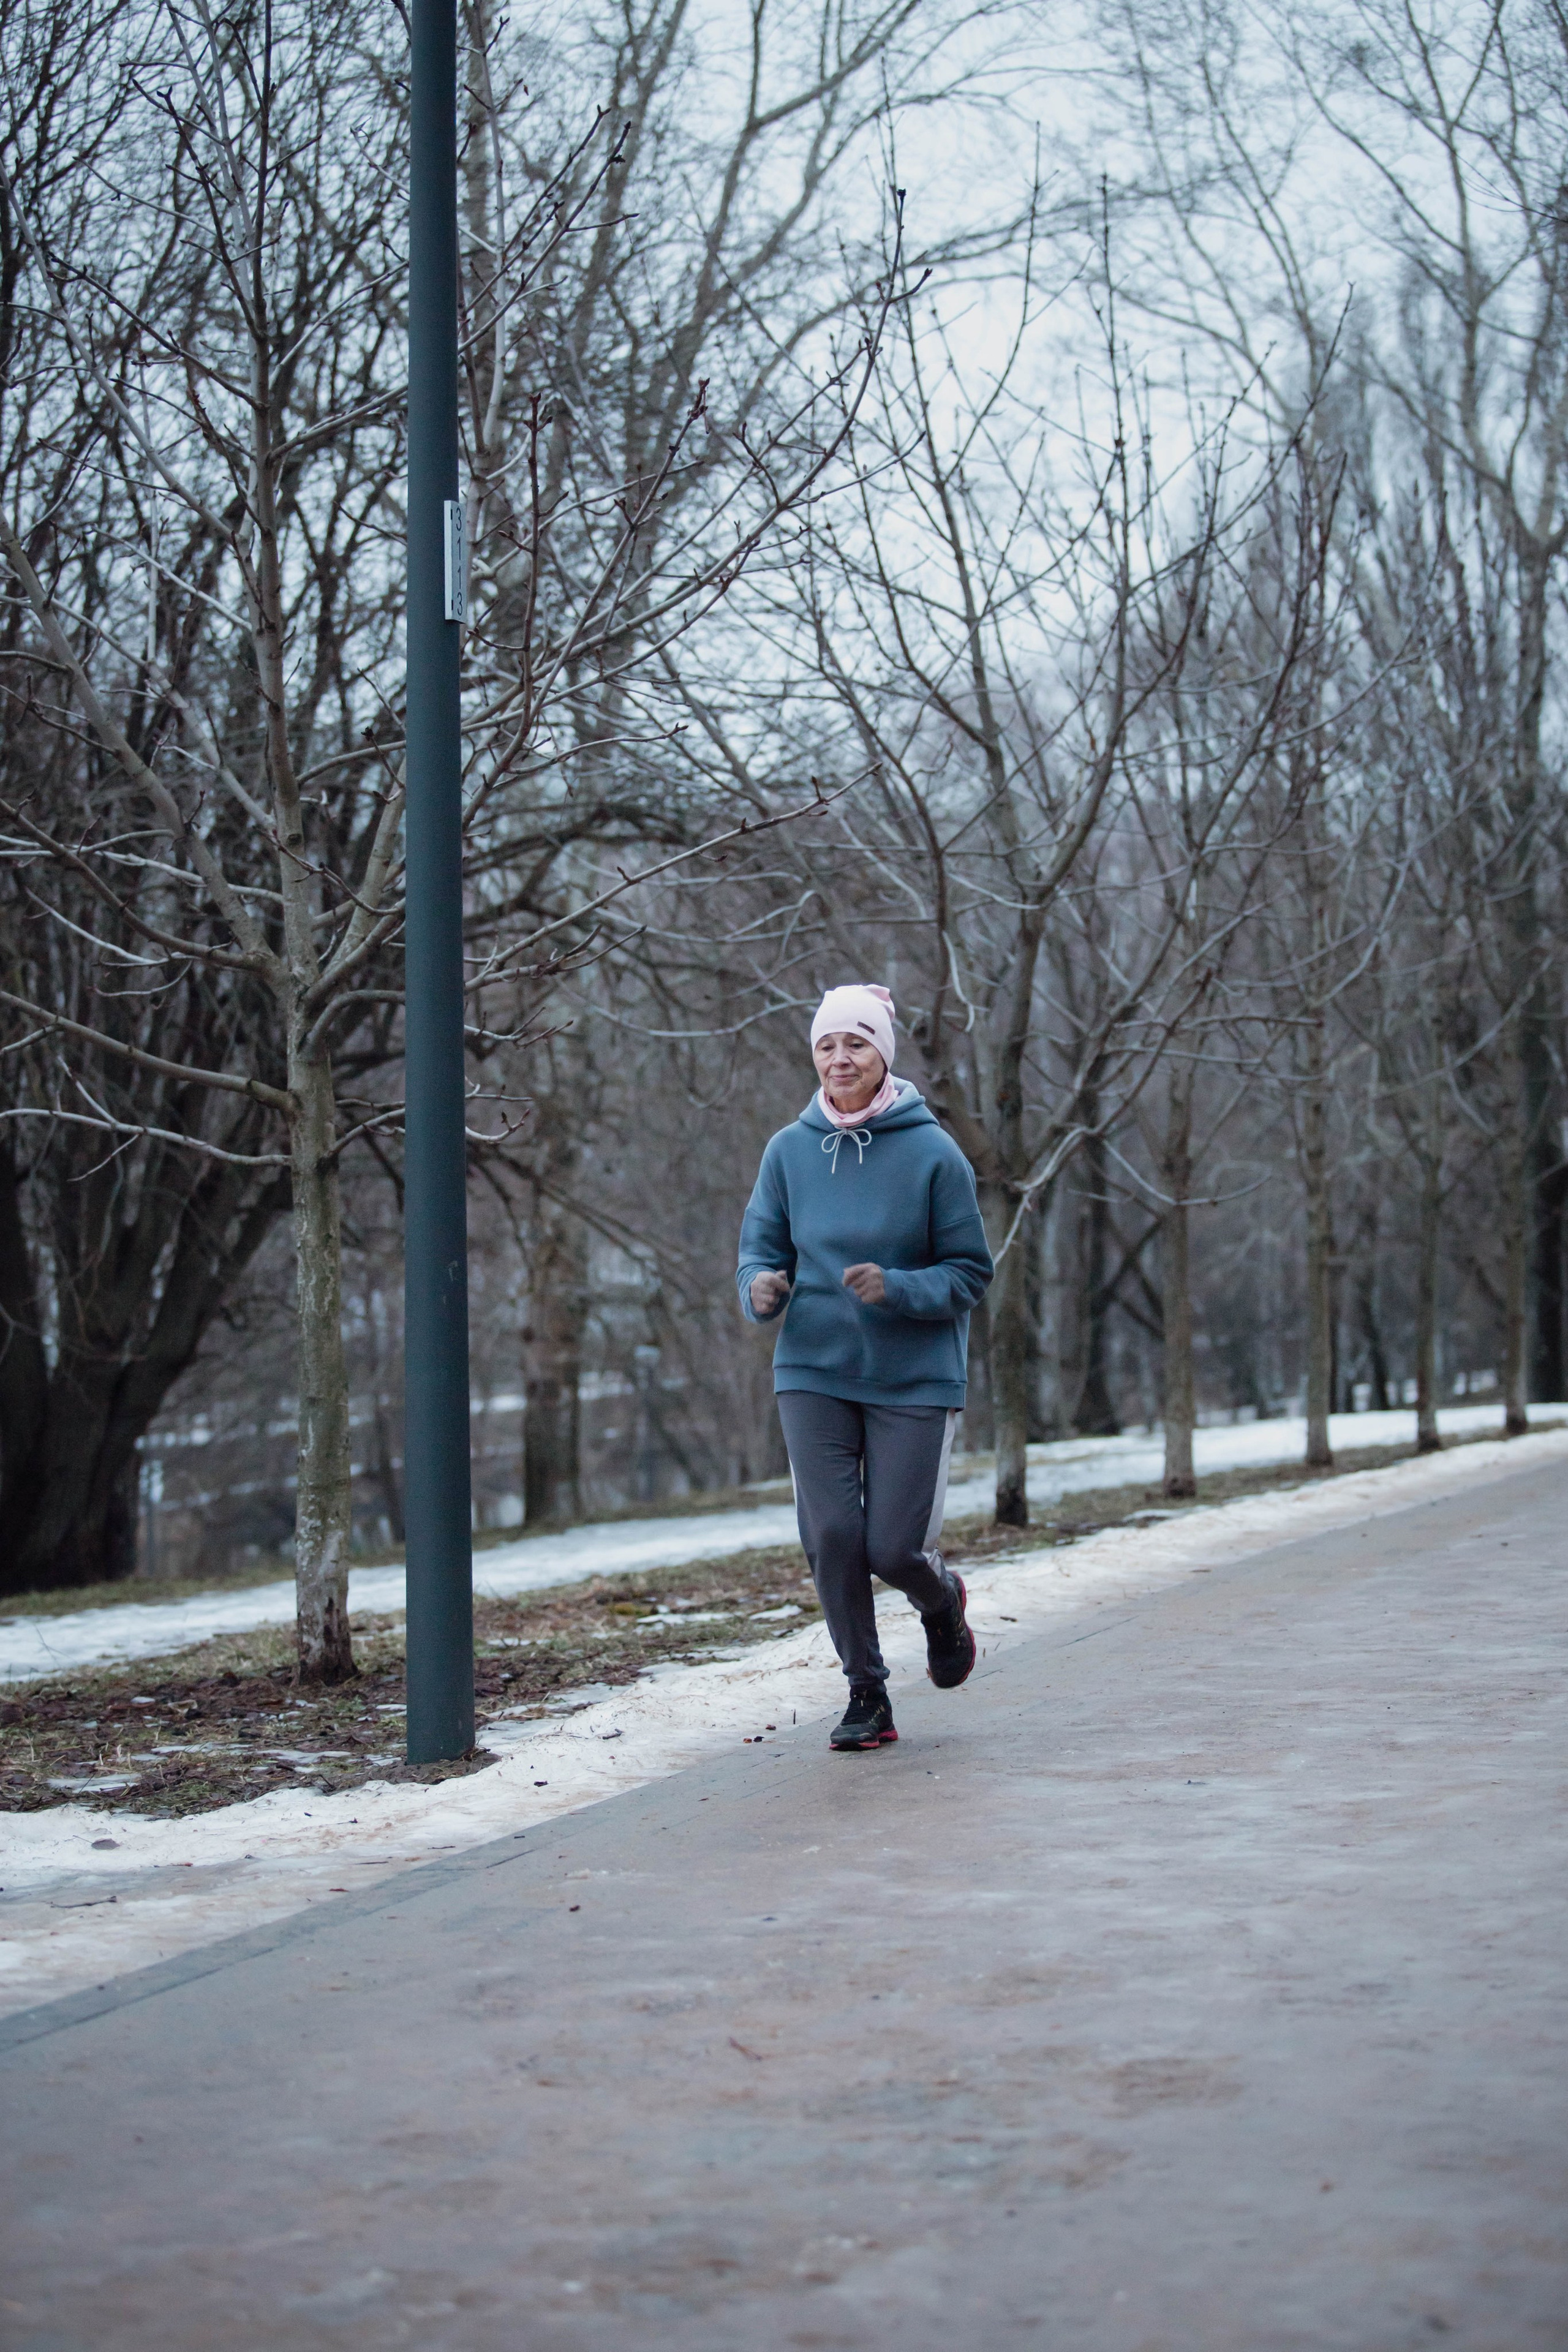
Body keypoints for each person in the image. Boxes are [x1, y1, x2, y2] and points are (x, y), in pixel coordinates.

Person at [736, 983, 995, 1751]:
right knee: (831, 1535)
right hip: (812, 1367)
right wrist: (760, 1287)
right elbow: (758, 1250)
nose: (840, 1058)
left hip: (913, 1374)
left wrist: (899, 1288)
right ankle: (866, 1692)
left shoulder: (934, 1153)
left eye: (856, 1043)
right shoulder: (788, 1151)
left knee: (891, 1549)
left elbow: (970, 1272)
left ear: (883, 1052)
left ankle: (940, 1601)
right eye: (827, 1045)